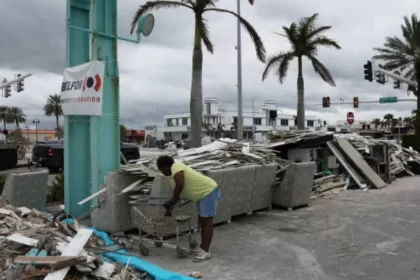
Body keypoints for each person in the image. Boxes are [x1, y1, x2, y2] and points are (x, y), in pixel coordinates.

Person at [156, 155, 220, 262]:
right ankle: (202, 248)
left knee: (207, 222)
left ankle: (206, 251)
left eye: (161, 169)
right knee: (203, 221)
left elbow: (180, 185)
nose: (162, 172)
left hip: (208, 191)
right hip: (201, 196)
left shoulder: (176, 166)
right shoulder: (173, 177)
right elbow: (177, 194)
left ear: (166, 166)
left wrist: (171, 201)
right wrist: (169, 207)